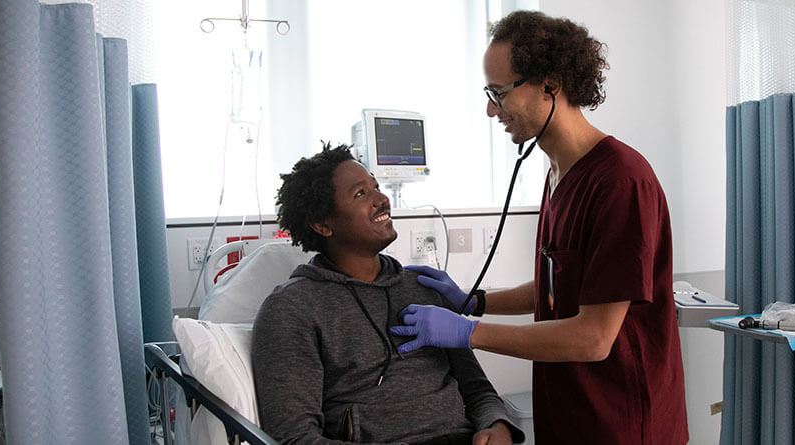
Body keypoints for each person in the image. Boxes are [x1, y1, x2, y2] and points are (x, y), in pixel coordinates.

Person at [389, 11, 689, 445]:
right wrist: (476, 302)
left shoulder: (621, 182)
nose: (491, 109)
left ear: (550, 83)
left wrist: (469, 333)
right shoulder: (555, 175)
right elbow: (560, 287)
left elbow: (594, 338)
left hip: (622, 423)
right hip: (569, 414)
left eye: (499, 93)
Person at [252, 143, 524, 445]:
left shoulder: (423, 288)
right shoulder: (293, 309)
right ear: (322, 224)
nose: (382, 200)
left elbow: (478, 391)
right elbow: (294, 437)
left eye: (376, 187)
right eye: (361, 194)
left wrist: (497, 425)